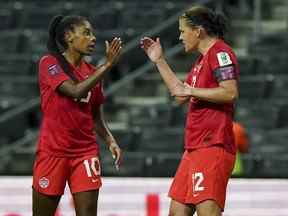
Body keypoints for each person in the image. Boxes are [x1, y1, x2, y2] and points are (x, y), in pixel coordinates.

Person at [141, 5, 239, 216]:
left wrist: (192, 89)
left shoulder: (221, 53)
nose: (180, 36)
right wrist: (159, 60)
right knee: (176, 213)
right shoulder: (200, 61)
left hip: (213, 145)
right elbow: (180, 94)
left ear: (198, 31)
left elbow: (229, 92)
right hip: (194, 148)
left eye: (183, 31)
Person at [32, 15, 122, 216]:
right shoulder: (49, 63)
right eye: (86, 33)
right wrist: (107, 66)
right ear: (68, 36)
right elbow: (74, 91)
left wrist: (110, 140)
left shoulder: (92, 72)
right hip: (53, 152)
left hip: (85, 153)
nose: (93, 38)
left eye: (93, 34)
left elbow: (96, 115)